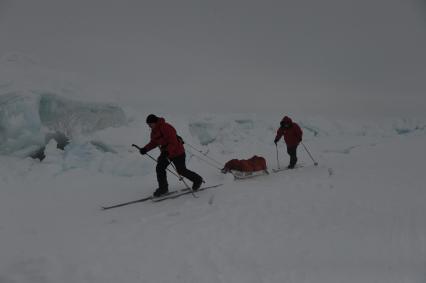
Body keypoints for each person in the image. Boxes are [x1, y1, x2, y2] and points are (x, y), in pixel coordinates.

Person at [139, 114, 203, 197]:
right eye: (148, 125)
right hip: (166, 152)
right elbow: (154, 142)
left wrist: (166, 152)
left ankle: (198, 180)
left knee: (181, 170)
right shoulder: (154, 131)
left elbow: (173, 142)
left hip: (177, 152)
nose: (149, 126)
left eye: (150, 124)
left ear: (155, 122)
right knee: (160, 168)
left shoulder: (166, 127)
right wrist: (145, 149)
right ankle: (163, 189)